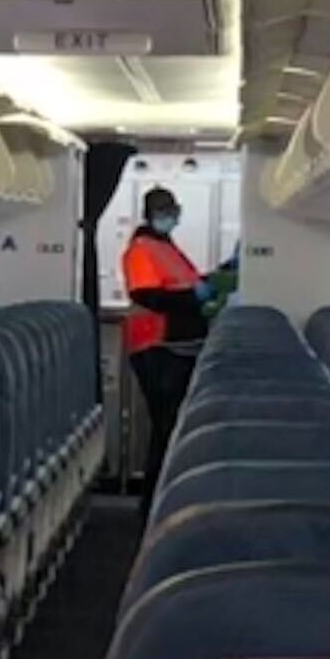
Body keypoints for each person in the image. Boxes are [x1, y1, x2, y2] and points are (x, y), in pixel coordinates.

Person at [119, 184, 205, 466]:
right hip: (155, 346)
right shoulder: (142, 250)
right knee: (166, 426)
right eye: (167, 212)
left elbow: (187, 284)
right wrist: (195, 297)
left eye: (174, 211)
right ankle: (155, 502)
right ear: (152, 214)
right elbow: (149, 296)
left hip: (174, 345)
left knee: (171, 427)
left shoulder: (166, 247)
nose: (172, 218)